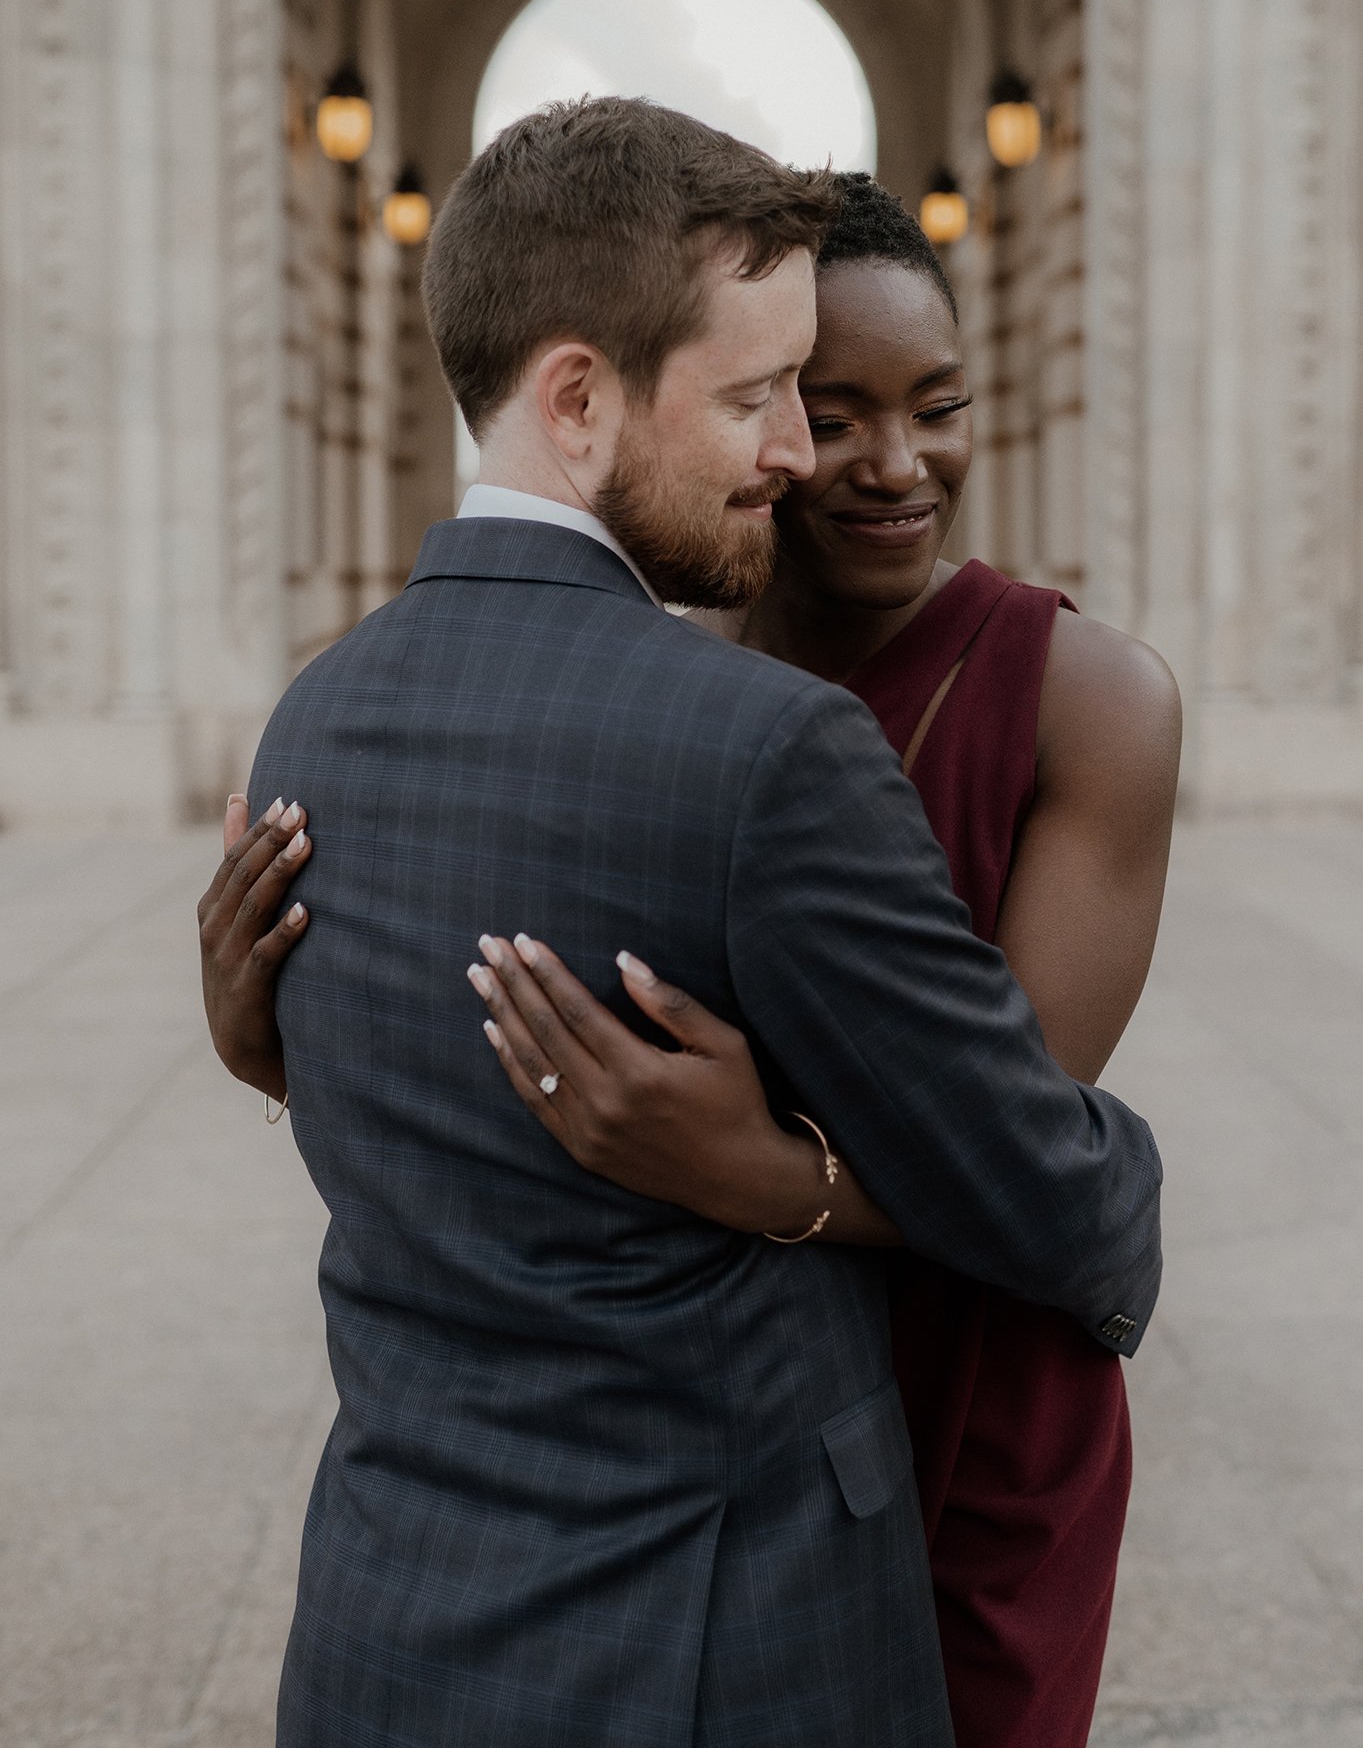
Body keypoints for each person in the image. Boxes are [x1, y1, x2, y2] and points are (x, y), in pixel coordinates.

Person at [199, 103, 1163, 1748]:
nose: (798, 451)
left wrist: (270, 1049)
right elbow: (1054, 1203)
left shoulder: (311, 717)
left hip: (390, 1627)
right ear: (579, 397)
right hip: (720, 1651)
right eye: (760, 399)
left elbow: (438, 1149)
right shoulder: (763, 747)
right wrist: (1106, 1177)